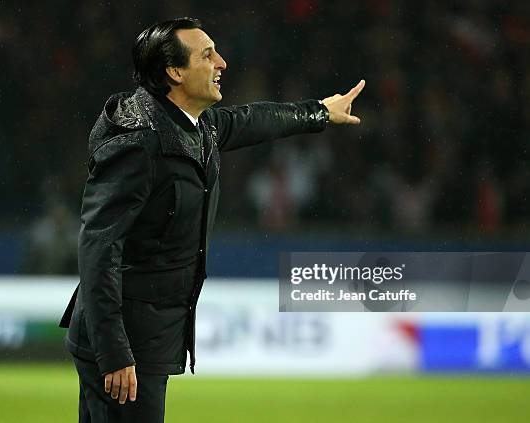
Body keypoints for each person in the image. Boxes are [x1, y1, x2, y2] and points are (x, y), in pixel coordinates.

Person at [59, 17, 365, 423]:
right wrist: (114, 351)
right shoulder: (139, 143)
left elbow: (253, 120)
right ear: (174, 72)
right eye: (207, 54)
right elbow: (99, 248)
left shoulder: (192, 126)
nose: (221, 62)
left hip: (147, 336)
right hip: (126, 344)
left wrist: (320, 113)